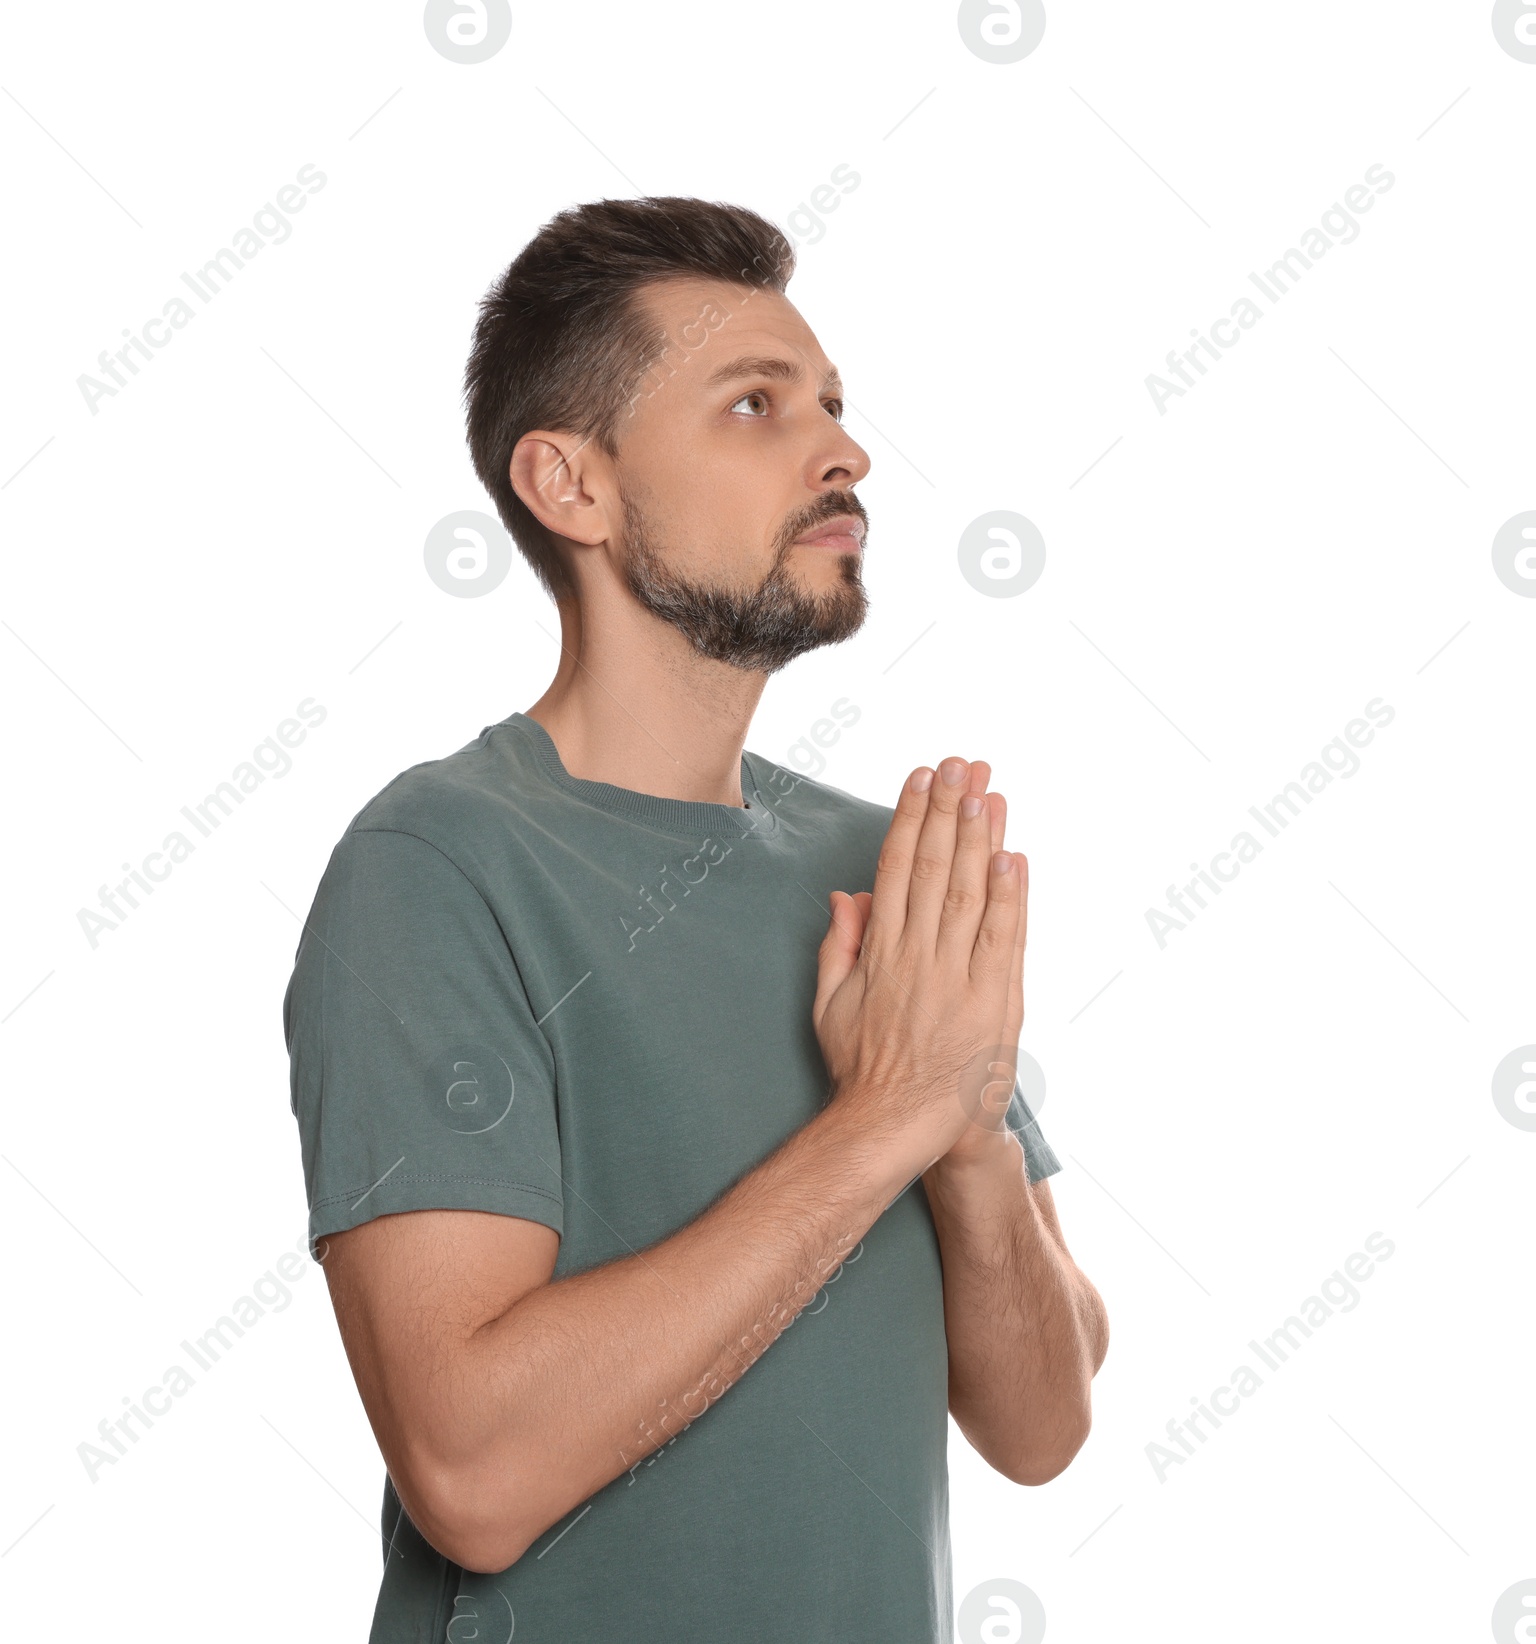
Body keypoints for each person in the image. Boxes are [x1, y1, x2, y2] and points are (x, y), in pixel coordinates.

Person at [282, 195, 1108, 1644]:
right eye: (753, 405)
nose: (843, 452)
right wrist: (881, 1121)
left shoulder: (885, 867)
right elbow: (472, 1471)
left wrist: (964, 1134)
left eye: (834, 407)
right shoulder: (439, 866)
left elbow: (1044, 1424)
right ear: (571, 486)